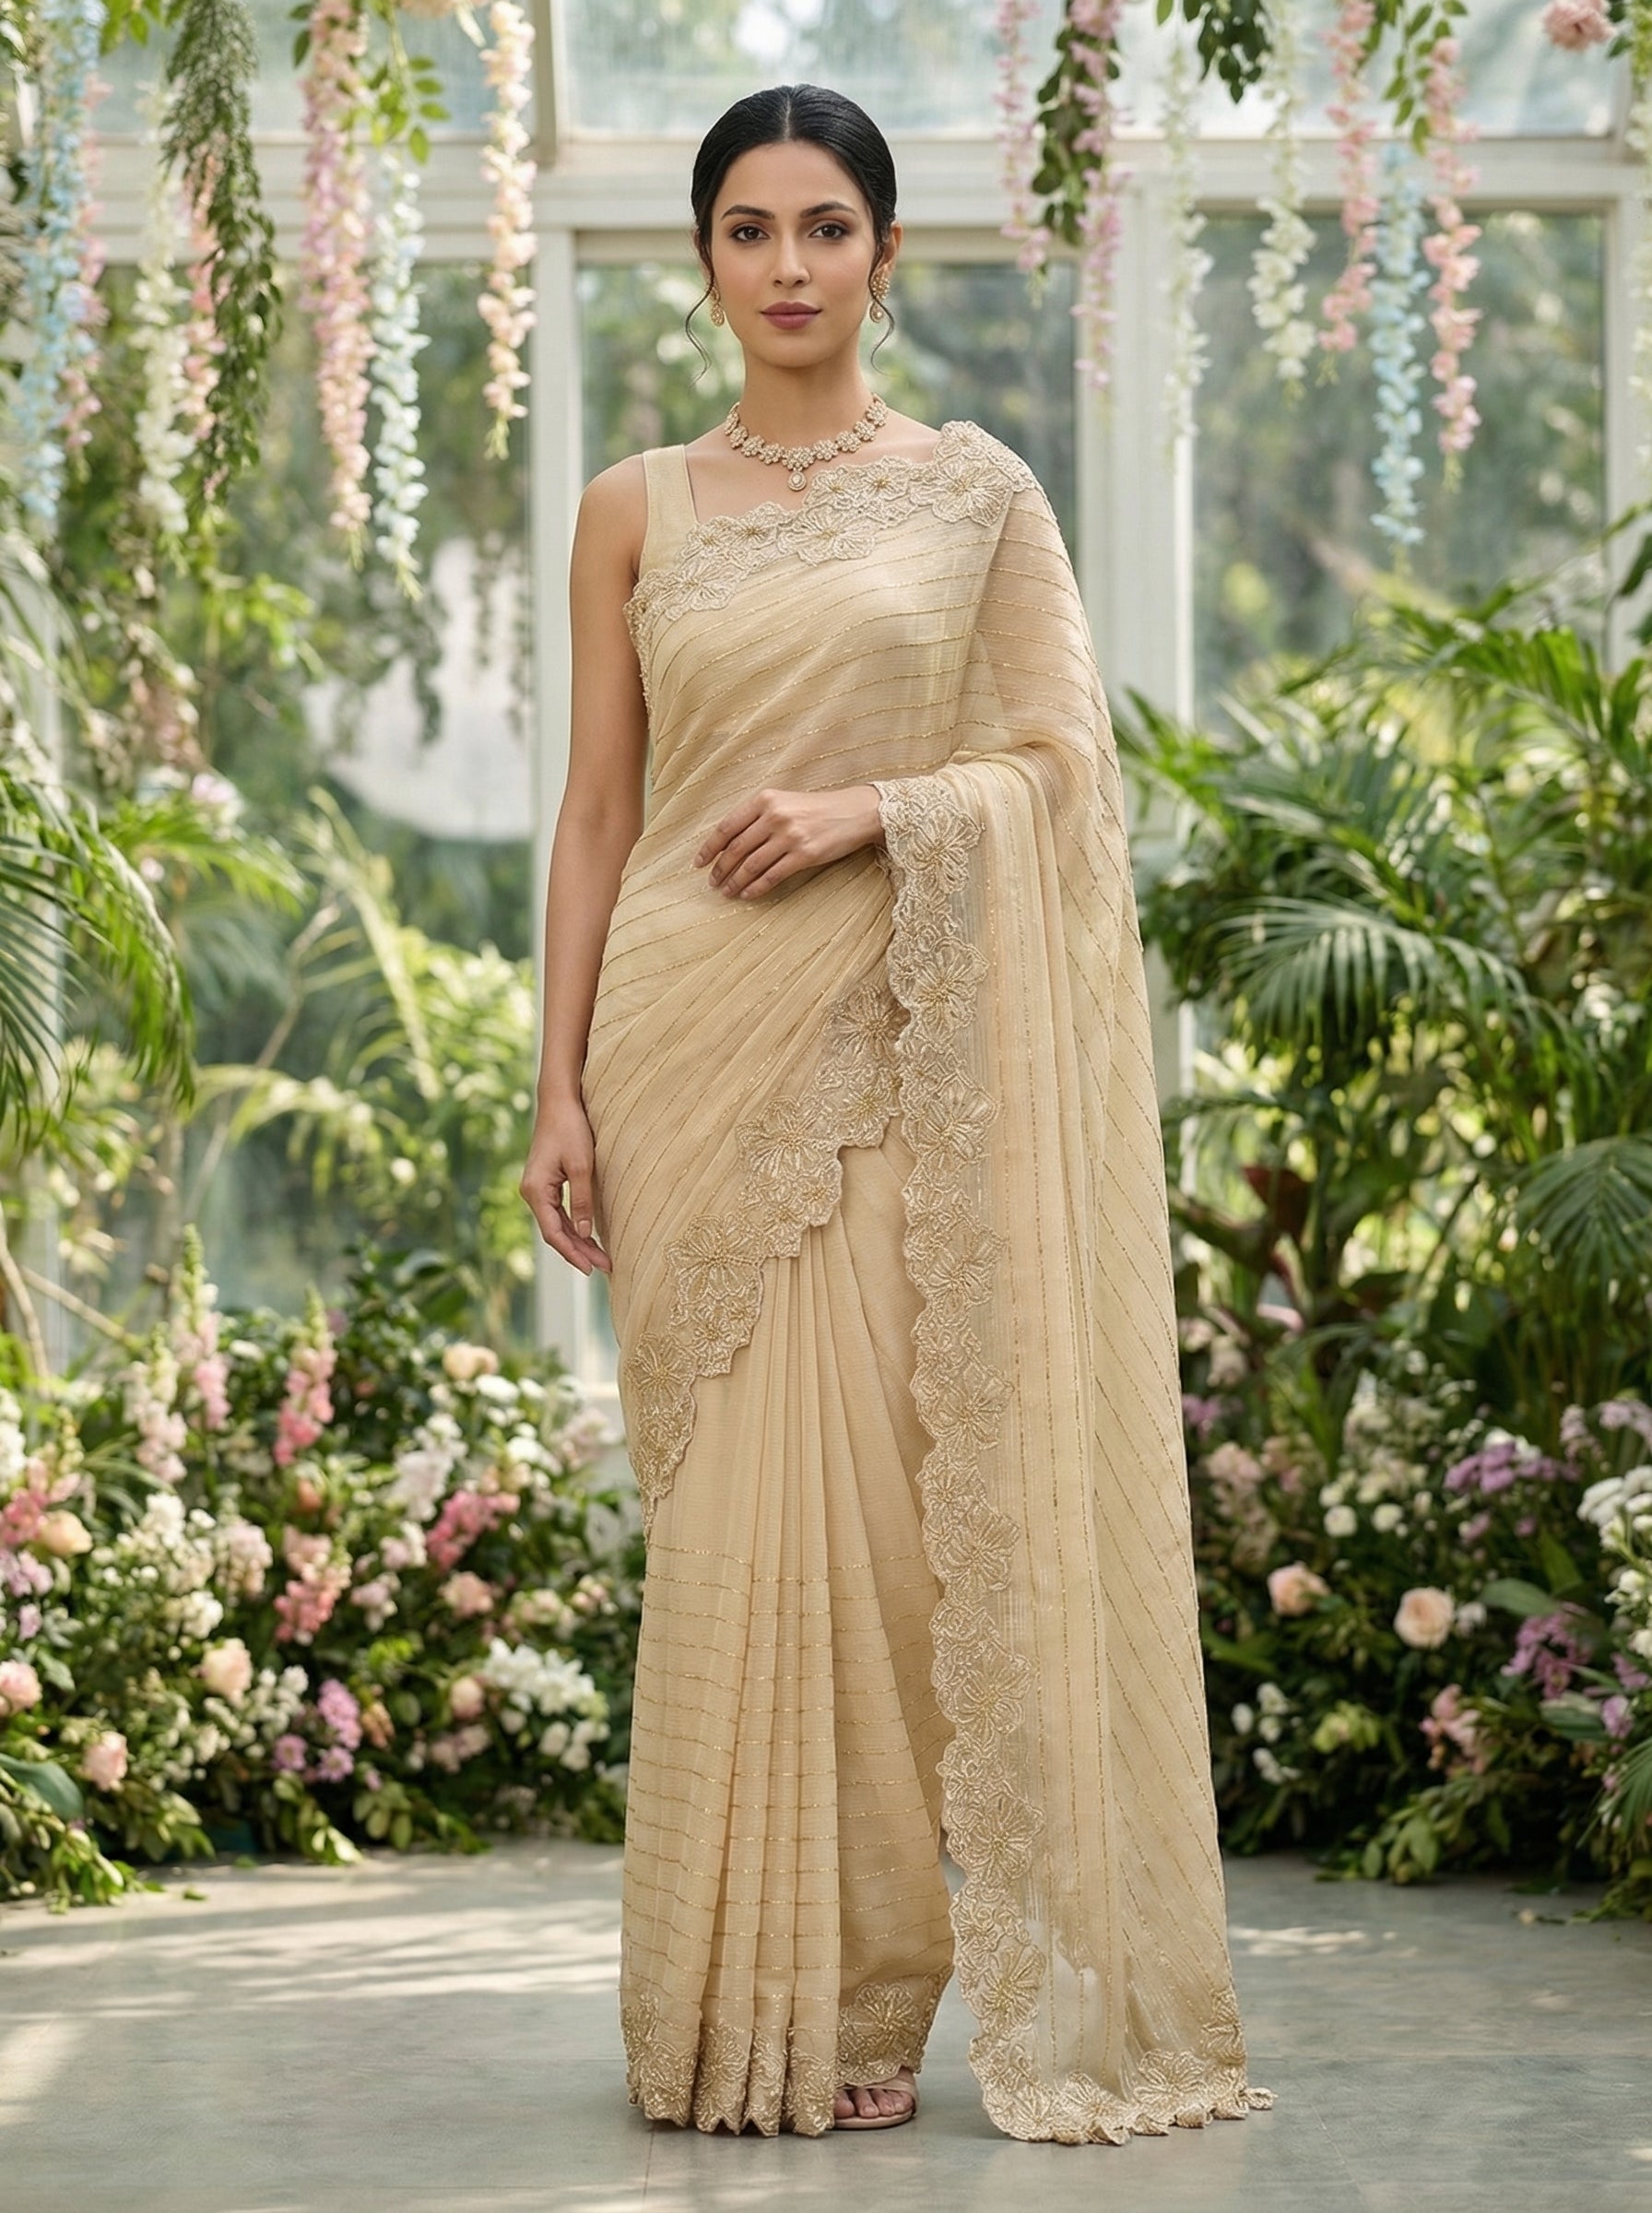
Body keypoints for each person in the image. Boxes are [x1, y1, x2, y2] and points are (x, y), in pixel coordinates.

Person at [520, 80, 1275, 2145]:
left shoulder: (970, 498)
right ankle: (708, 2006)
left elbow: (1059, 770)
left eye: (824, 227)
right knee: (724, 1536)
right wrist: (555, 1078)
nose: (786, 267)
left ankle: (855, 1995)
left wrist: (876, 808)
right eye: (748, 229)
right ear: (701, 259)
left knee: (868, 1538)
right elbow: (596, 813)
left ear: (883, 254)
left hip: (878, 1042)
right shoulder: (630, 508)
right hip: (681, 1047)